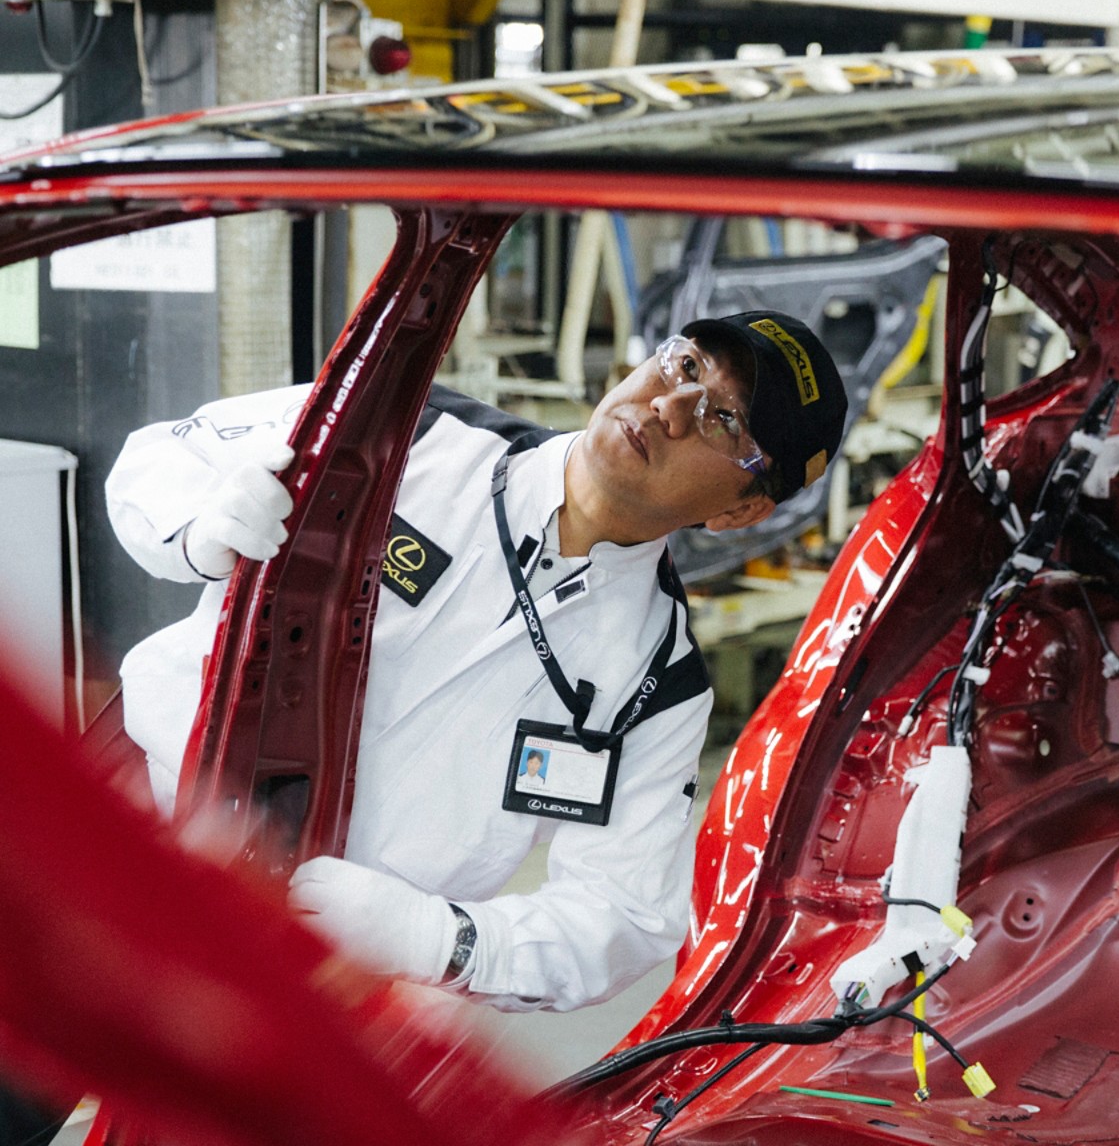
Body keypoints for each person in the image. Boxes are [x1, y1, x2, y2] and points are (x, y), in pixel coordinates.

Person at [106, 311, 847, 1012]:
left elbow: (622, 914)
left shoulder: (656, 685)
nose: (670, 406)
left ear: (741, 511)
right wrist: (199, 523)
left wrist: (444, 940)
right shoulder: (413, 430)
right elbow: (166, 451)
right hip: (126, 823)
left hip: (310, 967)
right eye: (685, 363)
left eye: (723, 419)